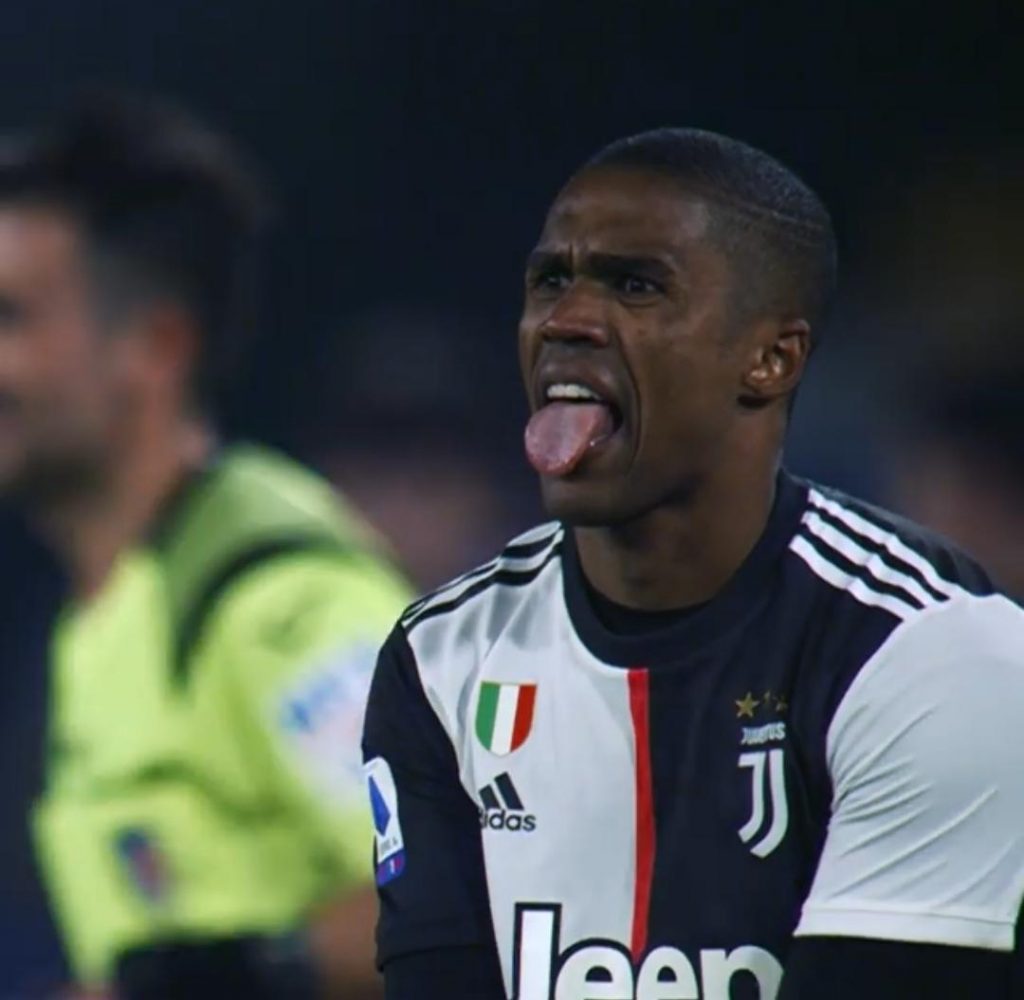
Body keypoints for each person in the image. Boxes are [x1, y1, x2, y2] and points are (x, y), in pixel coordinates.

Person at [362, 128, 1024, 999]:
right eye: (550, 281)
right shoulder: (441, 657)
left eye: (635, 285)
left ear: (771, 359)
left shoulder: (932, 652)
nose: (565, 319)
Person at [0, 94, 410, 998]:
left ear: (154, 345)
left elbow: (470, 884)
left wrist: (203, 983)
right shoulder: (104, 610)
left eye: (10, 317)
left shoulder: (275, 598)